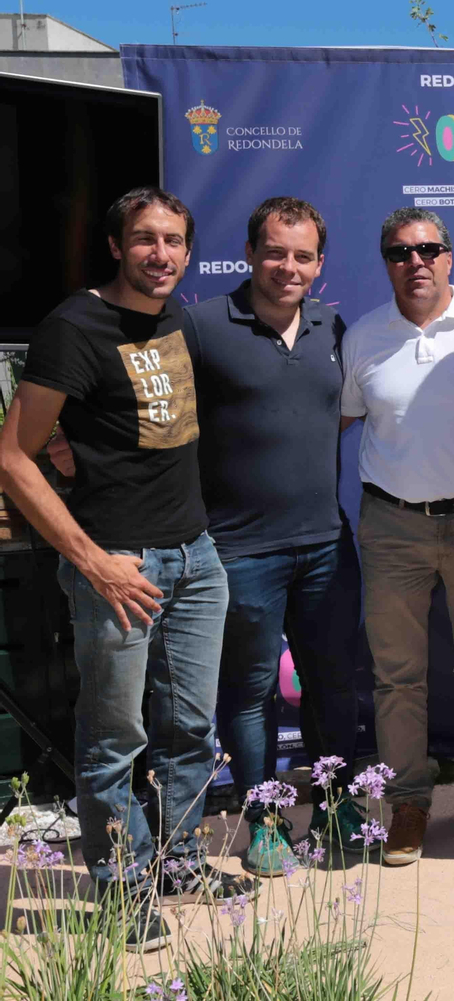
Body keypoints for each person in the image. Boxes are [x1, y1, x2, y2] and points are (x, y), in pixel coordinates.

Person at [0, 187, 251, 953]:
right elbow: (13, 453)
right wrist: (95, 561)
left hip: (196, 554)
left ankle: (176, 862)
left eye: (174, 239)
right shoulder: (74, 326)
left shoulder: (177, 315)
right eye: (145, 239)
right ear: (116, 245)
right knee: (115, 738)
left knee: (189, 728)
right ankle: (119, 888)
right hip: (121, 563)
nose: (161, 253)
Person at [184, 197, 366, 875]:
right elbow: (153, 407)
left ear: (319, 264)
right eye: (275, 251)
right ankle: (262, 817)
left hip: (325, 542)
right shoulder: (201, 326)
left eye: (302, 255)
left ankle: (336, 802)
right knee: (251, 690)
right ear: (250, 253)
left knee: (332, 681)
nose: (288, 267)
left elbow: (333, 415)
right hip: (239, 549)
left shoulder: (330, 325)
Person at [340, 208, 454, 866]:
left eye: (428, 250)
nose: (414, 262)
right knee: (397, 674)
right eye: (399, 252)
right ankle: (409, 800)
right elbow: (334, 421)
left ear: (449, 257)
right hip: (391, 525)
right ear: (385, 261)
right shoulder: (361, 338)